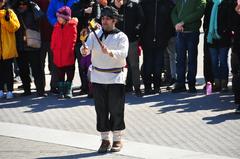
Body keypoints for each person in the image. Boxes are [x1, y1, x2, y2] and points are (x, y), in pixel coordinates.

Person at [81, 6, 128, 153]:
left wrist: (110, 52)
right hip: (98, 77)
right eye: (103, 18)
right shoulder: (95, 34)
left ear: (114, 21)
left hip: (115, 78)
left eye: (107, 18)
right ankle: (104, 139)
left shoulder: (122, 37)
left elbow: (123, 53)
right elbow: (86, 49)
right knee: (101, 110)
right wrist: (84, 49)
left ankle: (117, 139)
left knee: (116, 110)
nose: (104, 21)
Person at [171, 0, 206, 93]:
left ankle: (191, 84)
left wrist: (183, 22)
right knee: (180, 60)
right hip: (180, 33)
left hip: (192, 33)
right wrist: (176, 23)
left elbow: (199, 13)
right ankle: (180, 84)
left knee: (192, 60)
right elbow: (173, 12)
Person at [140, 0, 174, 95]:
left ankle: (157, 86)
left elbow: (170, 22)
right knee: (148, 64)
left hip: (161, 39)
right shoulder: (144, 3)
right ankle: (147, 87)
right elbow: (140, 21)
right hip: (147, 40)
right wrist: (141, 37)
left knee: (158, 65)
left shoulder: (167, 3)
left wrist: (166, 37)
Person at [112, 0, 144, 97]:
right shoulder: (113, 5)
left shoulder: (134, 5)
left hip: (132, 40)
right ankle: (119, 87)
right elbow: (109, 19)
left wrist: (136, 30)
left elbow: (141, 20)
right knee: (118, 65)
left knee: (134, 65)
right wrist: (117, 7)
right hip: (117, 41)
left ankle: (137, 88)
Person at [14, 0, 46, 97]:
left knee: (37, 69)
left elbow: (41, 15)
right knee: (23, 69)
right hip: (20, 44)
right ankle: (27, 89)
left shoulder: (32, 10)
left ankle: (40, 90)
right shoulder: (14, 11)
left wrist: (32, 4)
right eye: (20, 4)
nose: (22, 6)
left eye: (24, 4)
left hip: (33, 44)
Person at [71, 0, 101, 95]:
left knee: (91, 65)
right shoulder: (76, 5)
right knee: (81, 65)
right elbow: (72, 14)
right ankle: (84, 87)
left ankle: (91, 87)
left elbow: (97, 17)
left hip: (92, 39)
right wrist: (84, 11)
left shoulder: (95, 4)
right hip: (79, 40)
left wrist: (90, 24)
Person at [204, 0, 233, 92]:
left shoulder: (226, 4)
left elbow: (229, 20)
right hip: (211, 37)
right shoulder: (210, 3)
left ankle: (224, 84)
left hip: (224, 38)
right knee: (214, 61)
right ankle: (217, 83)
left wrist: (225, 31)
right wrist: (206, 29)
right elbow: (206, 19)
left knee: (223, 61)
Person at [51, 6, 78, 98]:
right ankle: (62, 90)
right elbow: (53, 38)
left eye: (60, 17)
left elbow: (73, 40)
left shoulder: (71, 26)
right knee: (60, 73)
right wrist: (53, 48)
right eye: (57, 16)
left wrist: (70, 51)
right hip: (58, 54)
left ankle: (68, 89)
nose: (58, 18)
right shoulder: (56, 26)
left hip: (68, 53)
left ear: (66, 18)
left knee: (70, 71)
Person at [0, 0, 20, 99]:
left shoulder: (10, 12)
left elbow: (15, 27)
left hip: (7, 48)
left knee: (8, 71)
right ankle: (0, 90)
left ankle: (10, 90)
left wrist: (7, 20)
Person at [232, 0, 240, 113]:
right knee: (237, 76)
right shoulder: (235, 8)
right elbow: (233, 26)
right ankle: (238, 103)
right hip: (238, 47)